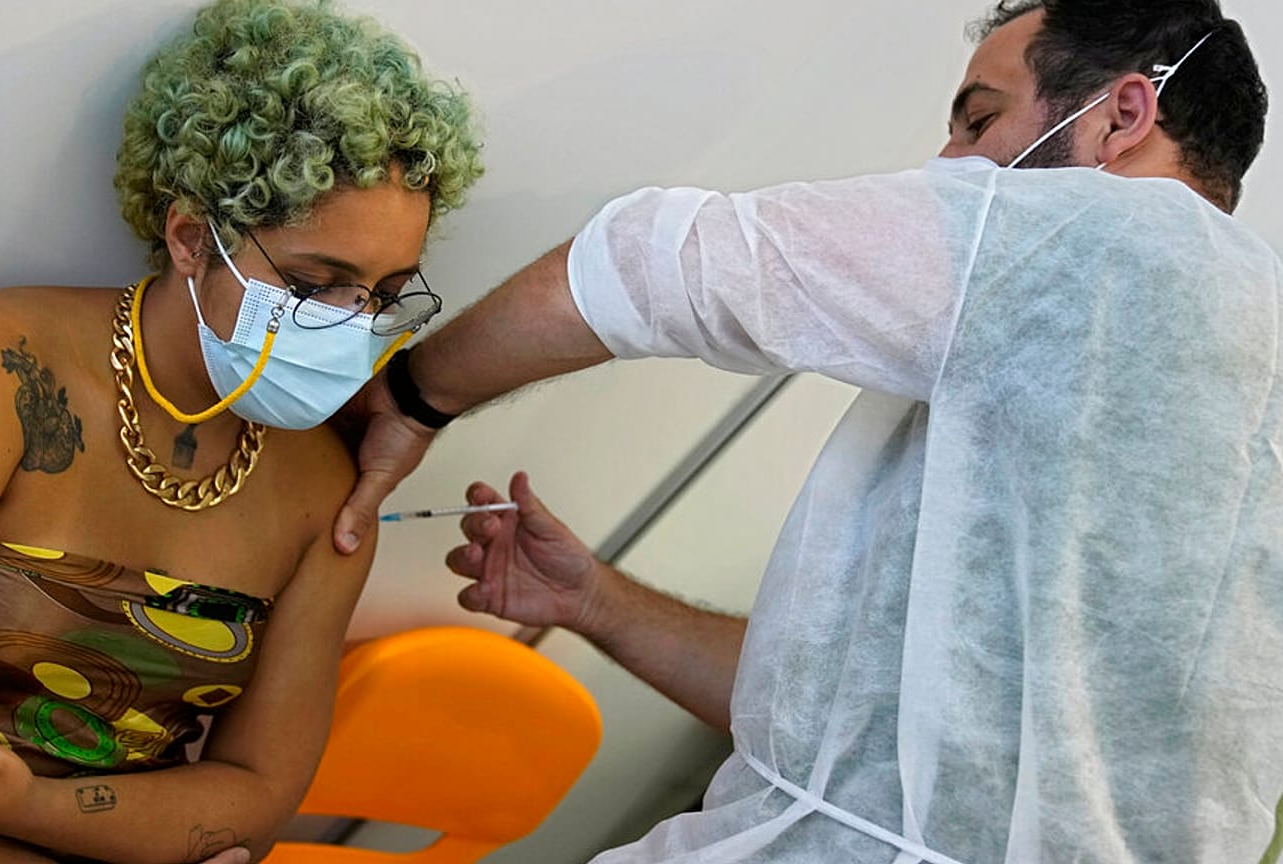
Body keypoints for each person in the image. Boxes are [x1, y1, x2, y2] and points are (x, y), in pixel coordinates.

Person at [329, 0, 1283, 861]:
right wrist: (598, 602)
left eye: (981, 119)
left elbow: (652, 265)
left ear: (1122, 115)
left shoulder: (1096, 242)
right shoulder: (1241, 379)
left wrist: (407, 400)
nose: (950, 165)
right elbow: (876, 743)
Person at [0, 0, 481, 862]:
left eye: (386, 295)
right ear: (188, 237)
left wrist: (29, 810)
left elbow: (253, 797)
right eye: (320, 282)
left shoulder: (325, 489)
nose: (355, 326)